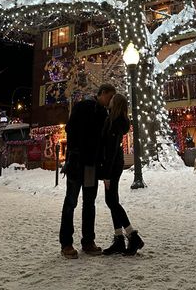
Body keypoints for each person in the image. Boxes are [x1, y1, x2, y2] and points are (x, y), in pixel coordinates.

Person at [59, 83, 116, 259]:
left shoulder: (104, 113)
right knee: (71, 202)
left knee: (89, 203)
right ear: (102, 93)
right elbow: (70, 129)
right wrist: (78, 150)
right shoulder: (83, 107)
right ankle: (66, 243)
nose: (111, 101)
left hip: (91, 164)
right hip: (77, 163)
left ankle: (88, 241)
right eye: (110, 97)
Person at [101, 94, 144, 256]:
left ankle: (133, 236)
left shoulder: (115, 123)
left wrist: (106, 174)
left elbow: (111, 149)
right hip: (114, 163)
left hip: (112, 165)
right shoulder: (116, 120)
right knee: (112, 200)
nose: (109, 101)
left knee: (111, 200)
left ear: (116, 104)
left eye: (112, 100)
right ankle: (119, 238)